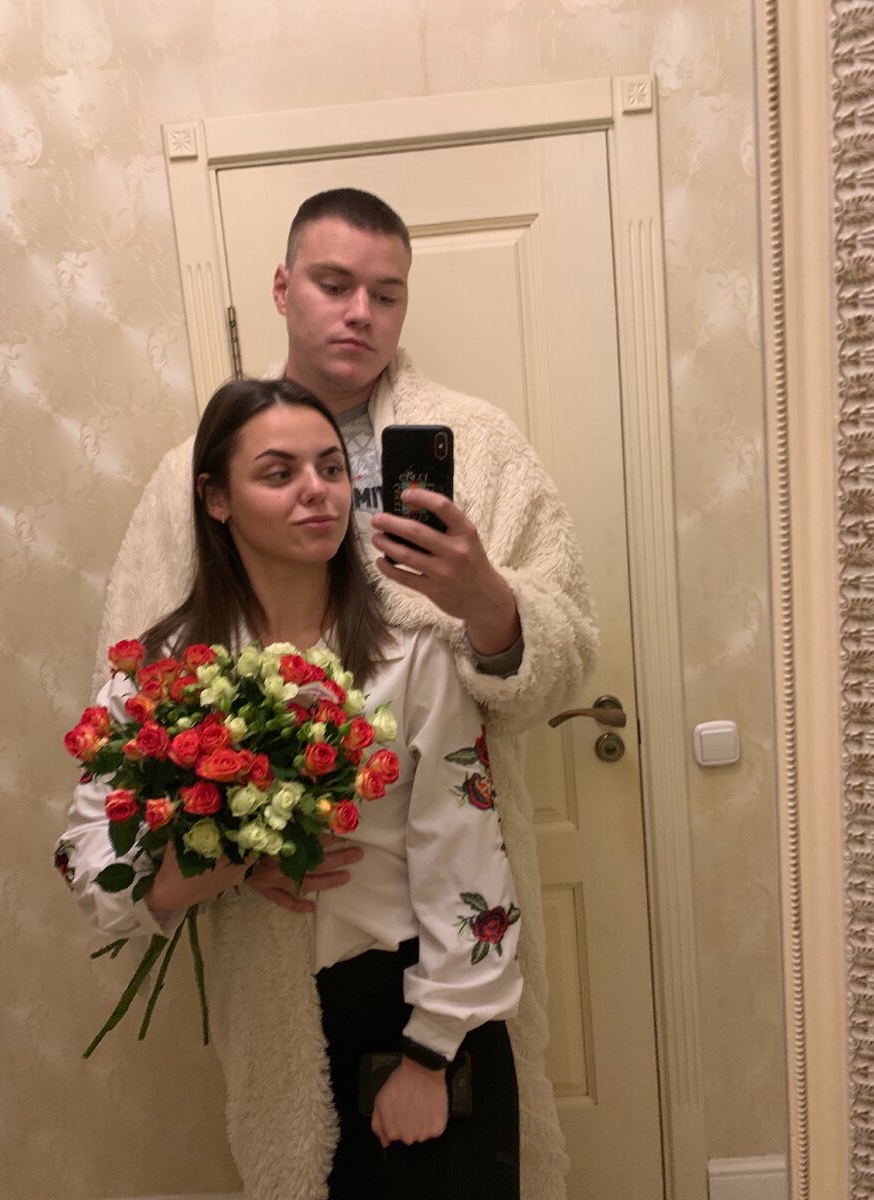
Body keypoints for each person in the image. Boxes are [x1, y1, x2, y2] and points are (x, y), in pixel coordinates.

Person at [93, 188, 596, 1197]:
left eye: (387, 293)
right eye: (334, 284)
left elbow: (569, 653)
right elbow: (139, 698)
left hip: (445, 882)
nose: (361, 312)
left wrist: (487, 601)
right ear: (283, 289)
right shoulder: (189, 474)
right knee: (304, 1154)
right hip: (278, 927)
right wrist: (231, 851)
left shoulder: (479, 445)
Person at [60, 378, 525, 1199]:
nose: (317, 491)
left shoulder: (410, 647)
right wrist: (227, 863)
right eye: (279, 473)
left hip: (421, 1005)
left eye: (331, 468)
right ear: (216, 498)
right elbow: (88, 857)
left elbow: (465, 847)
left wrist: (430, 1054)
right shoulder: (167, 671)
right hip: (282, 1021)